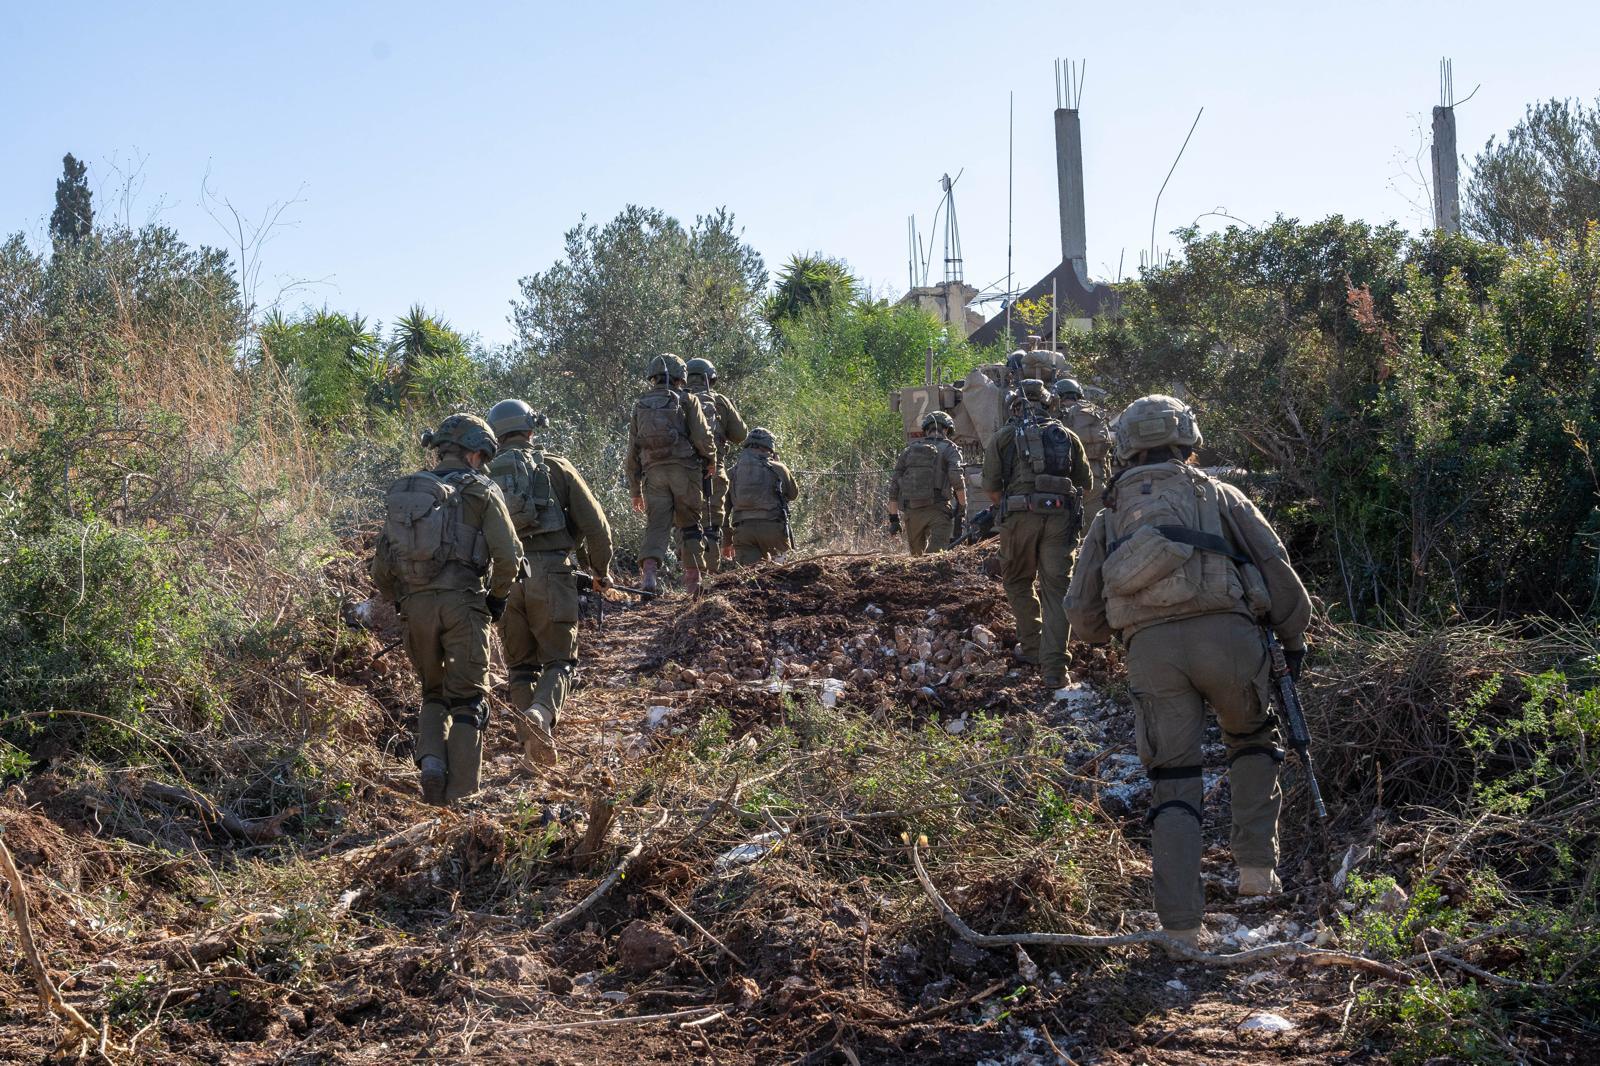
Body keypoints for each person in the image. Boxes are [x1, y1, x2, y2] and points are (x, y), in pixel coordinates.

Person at [1065, 395, 1312, 948]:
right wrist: (1292, 642)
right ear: (1189, 438)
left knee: (1173, 779)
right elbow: (1278, 572)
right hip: (1230, 639)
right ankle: (1255, 871)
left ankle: (1179, 927)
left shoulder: (1110, 515)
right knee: (1251, 737)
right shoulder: (1221, 494)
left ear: (1128, 444)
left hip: (1153, 653)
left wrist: (1131, 628)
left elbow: (1082, 617)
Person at [371, 414, 522, 806]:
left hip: (416, 609)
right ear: (475, 453)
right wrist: (496, 599)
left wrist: (402, 601)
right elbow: (508, 557)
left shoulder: (411, 494)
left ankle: (433, 761)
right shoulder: (481, 491)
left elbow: (381, 568)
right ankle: (462, 799)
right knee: (469, 701)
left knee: (432, 694)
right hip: (464, 604)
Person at [484, 399, 613, 771]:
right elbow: (597, 527)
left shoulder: (483, 476)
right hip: (552, 574)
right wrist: (599, 570)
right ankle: (541, 713)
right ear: (531, 429)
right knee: (559, 661)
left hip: (504, 580)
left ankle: (531, 749)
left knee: (521, 668)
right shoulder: (556, 466)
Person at [980, 379, 1092, 690]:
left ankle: (1032, 649)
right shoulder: (1067, 436)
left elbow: (991, 489)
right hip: (1061, 520)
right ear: (1049, 404)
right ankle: (1055, 669)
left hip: (1019, 519)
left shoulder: (1003, 437)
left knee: (1017, 580)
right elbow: (1087, 483)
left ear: (1013, 407)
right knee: (1057, 590)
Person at [625, 354, 715, 596]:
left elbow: (632, 451)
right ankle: (693, 583)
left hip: (653, 474)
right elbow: (703, 438)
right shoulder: (688, 400)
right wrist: (711, 460)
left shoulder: (641, 405)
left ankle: (649, 576)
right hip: (685, 471)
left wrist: (635, 490)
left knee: (656, 525)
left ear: (652, 376)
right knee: (690, 526)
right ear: (680, 376)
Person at [684, 357, 748, 571]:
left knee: (688, 526)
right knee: (711, 526)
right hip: (714, 472)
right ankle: (709, 578)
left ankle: (690, 578)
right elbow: (740, 435)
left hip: (682, 474)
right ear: (710, 379)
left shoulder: (677, 399)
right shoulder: (719, 401)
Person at [887, 411, 966, 555]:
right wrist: (962, 505)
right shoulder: (950, 448)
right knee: (936, 557)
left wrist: (893, 518)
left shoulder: (909, 450)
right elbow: (956, 477)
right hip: (939, 510)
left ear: (926, 429)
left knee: (917, 559)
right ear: (947, 429)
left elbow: (894, 487)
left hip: (912, 511)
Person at [1051, 378, 1114, 544]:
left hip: (1065, 484)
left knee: (1063, 541)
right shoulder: (1094, 412)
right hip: (1096, 481)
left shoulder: (1055, 415)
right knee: (1097, 540)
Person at [726, 427, 798, 565]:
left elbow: (724, 510)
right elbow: (793, 494)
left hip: (743, 532)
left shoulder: (732, 472)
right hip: (773, 530)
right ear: (769, 448)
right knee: (780, 576)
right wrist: (780, 464)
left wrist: (727, 540)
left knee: (749, 578)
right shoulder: (778, 468)